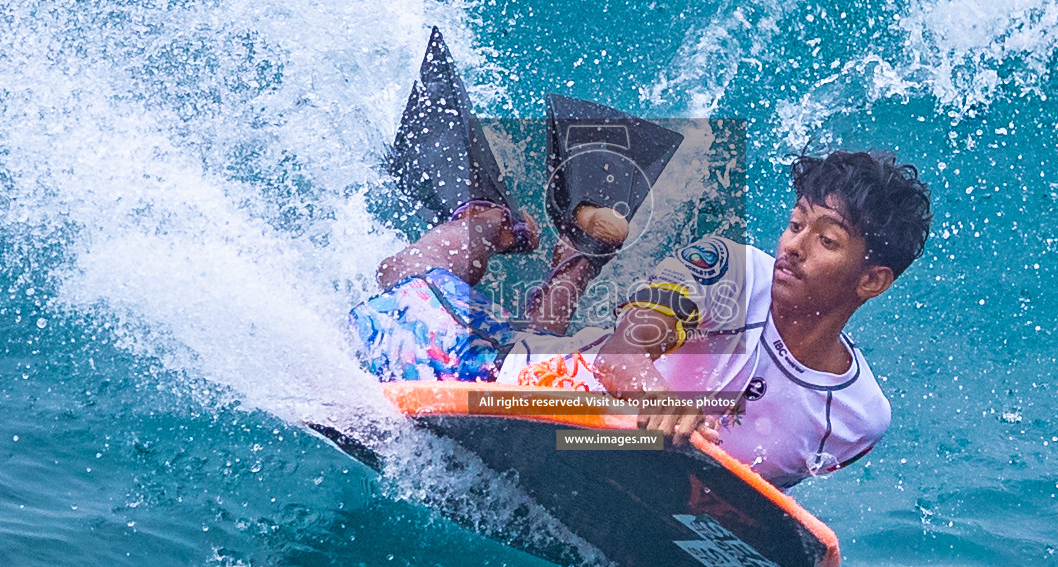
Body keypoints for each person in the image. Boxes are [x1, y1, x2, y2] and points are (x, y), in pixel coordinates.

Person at [350, 149, 932, 489]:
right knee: (395, 292)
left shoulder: (858, 420)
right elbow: (620, 357)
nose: (793, 246)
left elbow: (742, 503)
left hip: (599, 449)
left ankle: (580, 255)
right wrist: (656, 400)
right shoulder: (729, 271)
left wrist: (714, 565)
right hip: (535, 385)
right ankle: (485, 220)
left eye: (825, 238)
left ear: (872, 280)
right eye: (796, 223)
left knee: (550, 341)